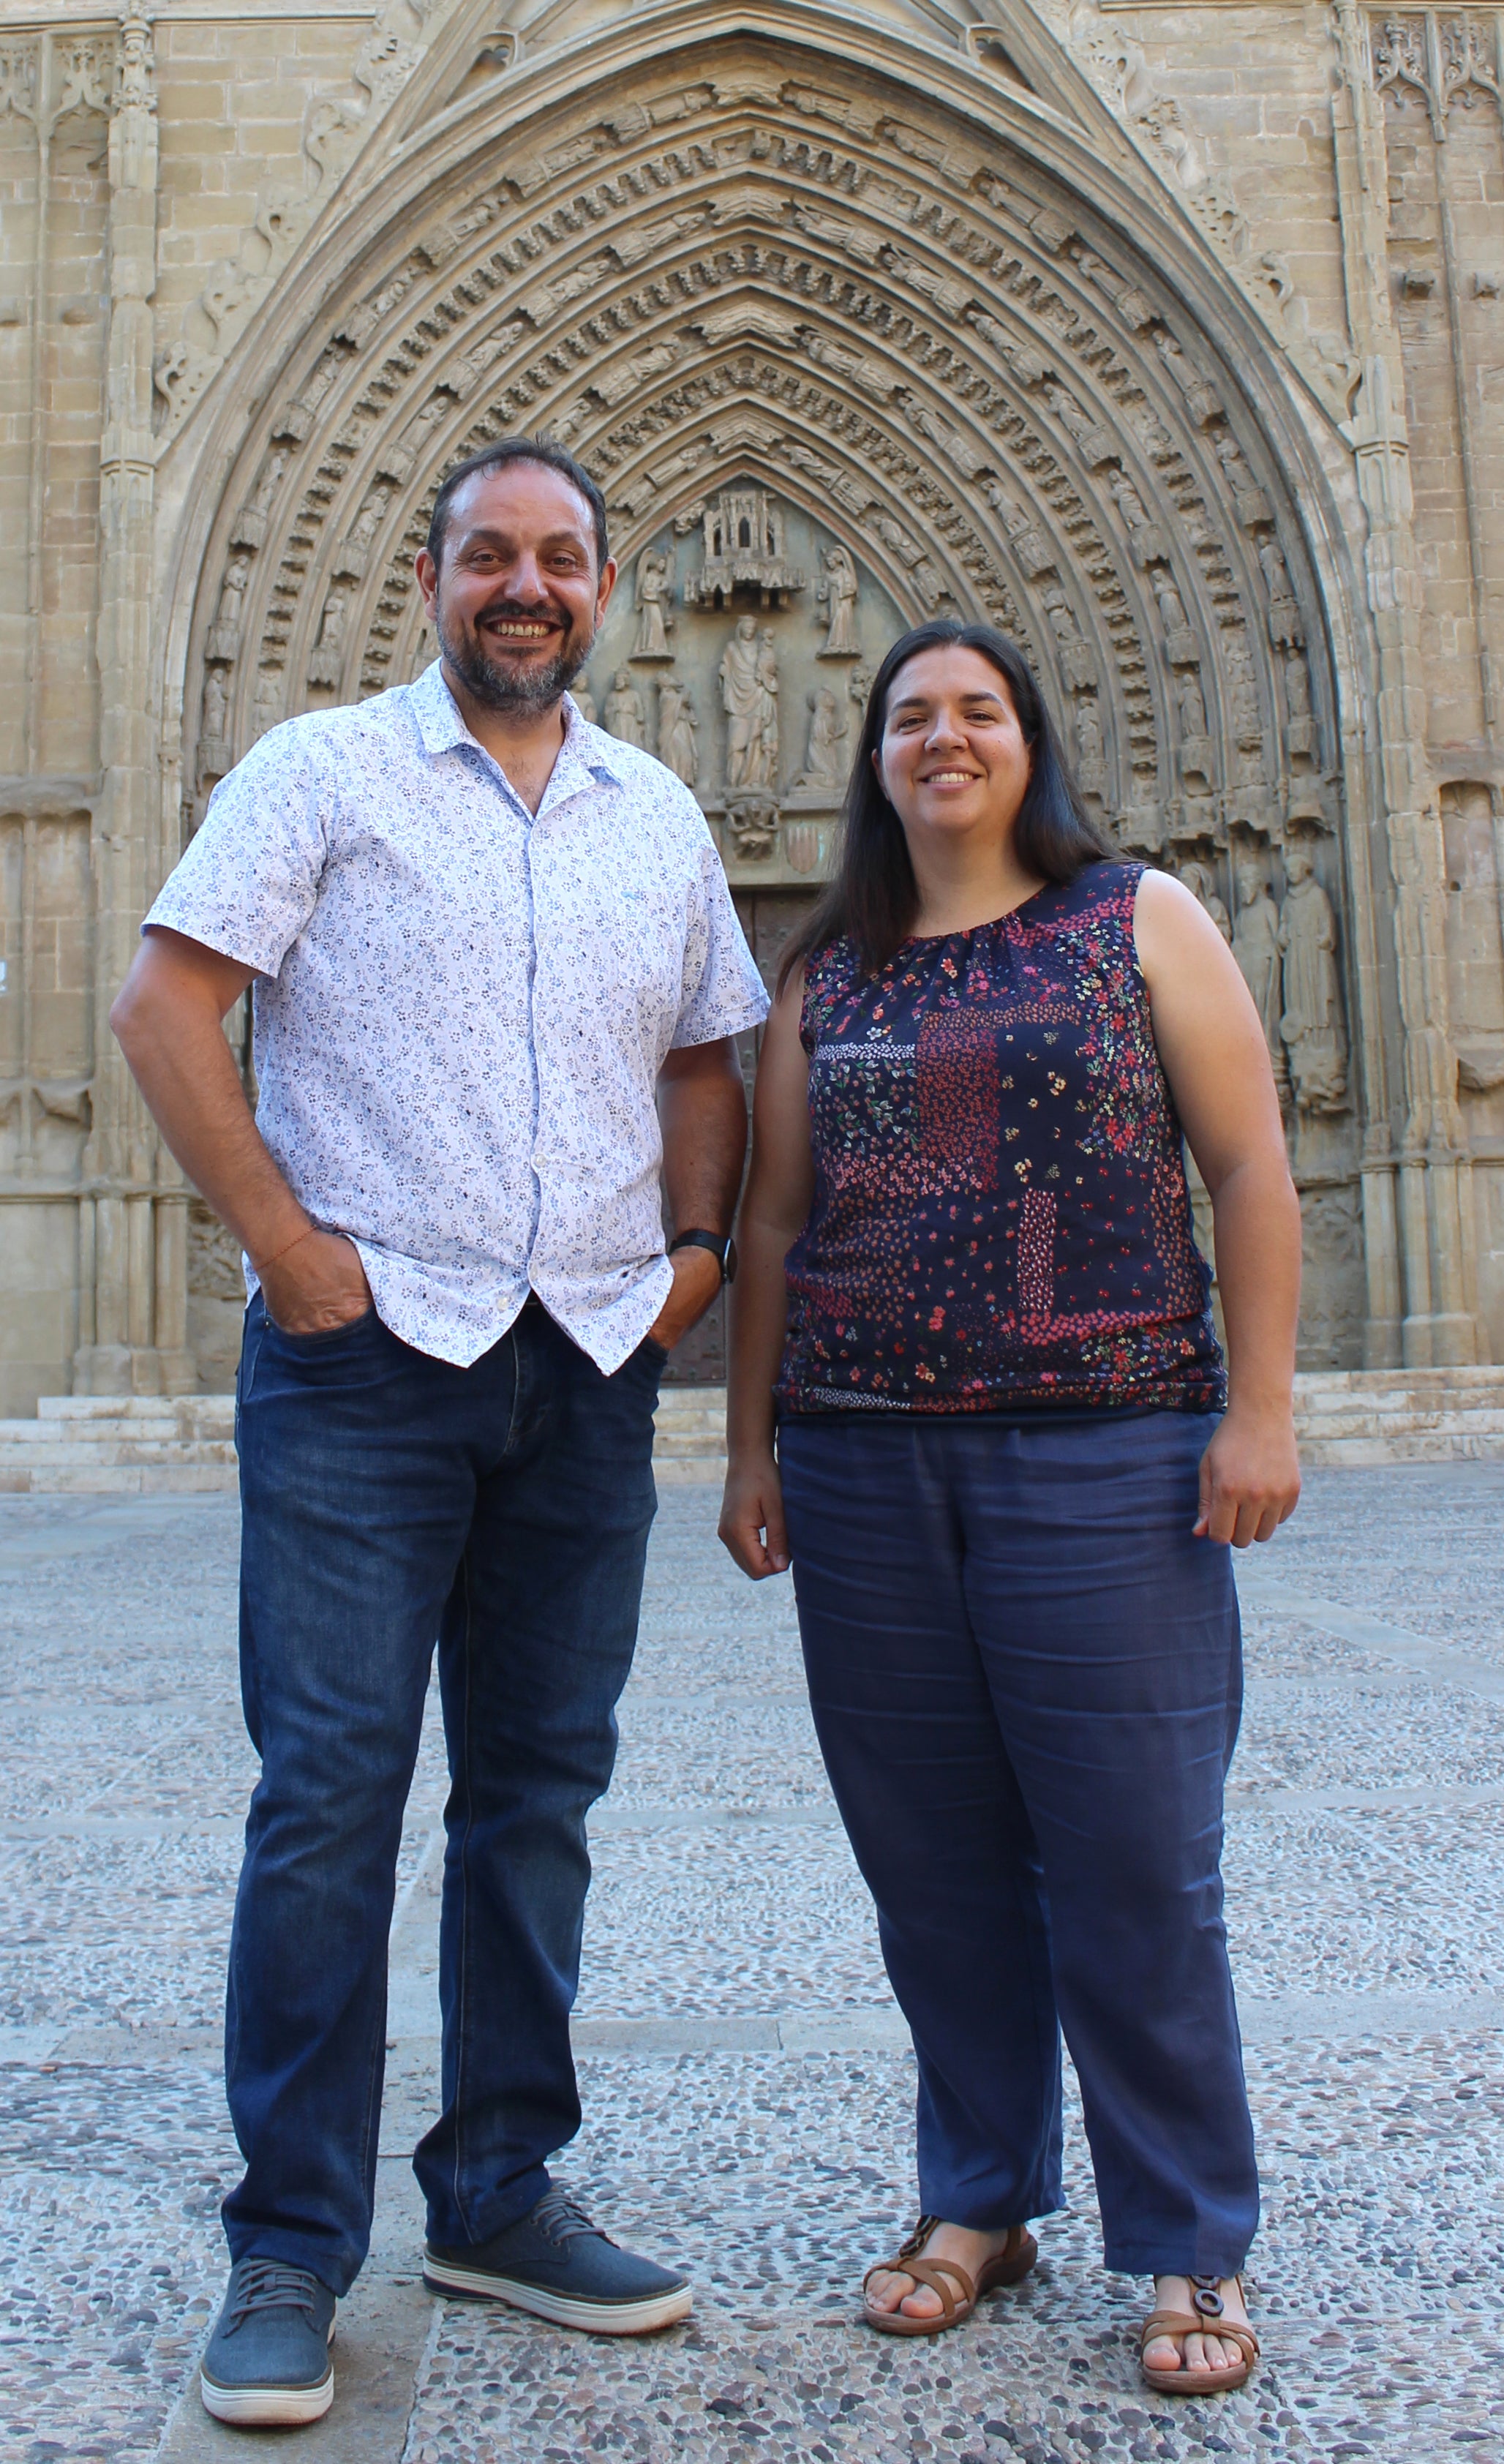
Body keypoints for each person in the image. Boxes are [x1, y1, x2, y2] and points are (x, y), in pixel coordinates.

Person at [111, 437, 768, 2429]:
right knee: (329, 1796)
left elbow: (706, 1054)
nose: (527, 584)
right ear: (431, 579)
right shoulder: (318, 771)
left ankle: (496, 2190)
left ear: (602, 587)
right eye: (491, 553)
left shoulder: (657, 812)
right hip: (367, 1365)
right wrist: (287, 1249)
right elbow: (164, 1006)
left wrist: (692, 1259)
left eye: (561, 556)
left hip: (586, 1365)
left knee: (539, 1792)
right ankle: (289, 2246)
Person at [719, 620, 1301, 2393]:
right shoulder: (829, 973)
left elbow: (1245, 1164)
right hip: (865, 1460)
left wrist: (1257, 1410)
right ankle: (976, 2198)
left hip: (1102, 1453)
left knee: (1134, 1860)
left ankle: (1186, 2237)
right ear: (873, 760)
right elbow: (772, 1223)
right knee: (933, 1869)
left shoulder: (1137, 917)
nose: (943, 738)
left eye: (975, 710)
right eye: (909, 716)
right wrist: (749, 1448)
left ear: (1029, 741)